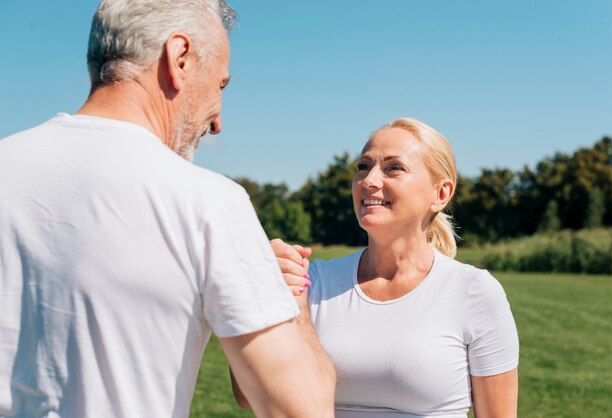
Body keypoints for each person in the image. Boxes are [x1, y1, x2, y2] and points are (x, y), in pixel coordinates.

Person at [0, 1, 334, 417]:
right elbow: (300, 409)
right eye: (221, 85)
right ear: (179, 58)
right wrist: (290, 300)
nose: (218, 123)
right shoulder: (209, 202)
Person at [265, 117, 519, 417]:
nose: (369, 180)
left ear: (441, 194)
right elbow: (250, 393)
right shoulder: (312, 282)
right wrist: (267, 291)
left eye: (393, 168)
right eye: (363, 166)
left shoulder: (474, 292)